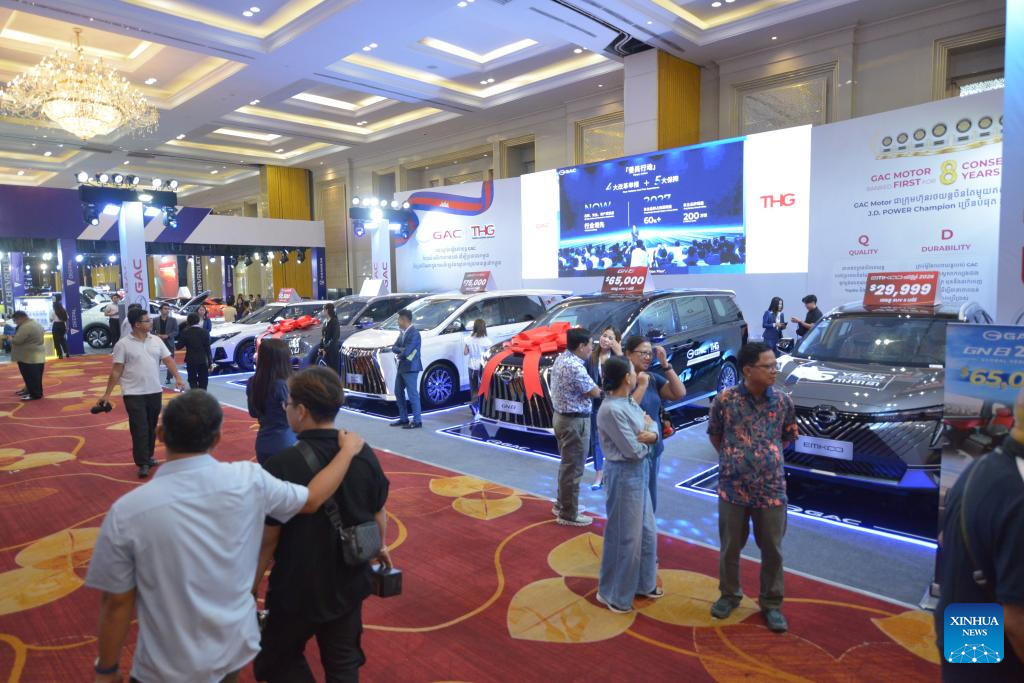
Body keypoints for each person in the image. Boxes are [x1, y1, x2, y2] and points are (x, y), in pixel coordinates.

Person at [85, 389, 365, 683]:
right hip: (231, 647)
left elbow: (117, 602)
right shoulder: (249, 479)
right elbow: (312, 499)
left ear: (160, 434)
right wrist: (346, 452)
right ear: (218, 437)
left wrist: (107, 669)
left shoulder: (128, 511)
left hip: (165, 663)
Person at [252, 368, 391, 681]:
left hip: (297, 586)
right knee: (344, 662)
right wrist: (378, 546)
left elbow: (268, 538)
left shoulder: (281, 465)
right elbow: (378, 512)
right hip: (349, 579)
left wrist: (251, 585)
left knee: (278, 660)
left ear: (301, 411)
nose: (286, 409)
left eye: (288, 404)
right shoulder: (362, 453)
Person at [706, 341, 797, 634]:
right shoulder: (725, 400)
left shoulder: (782, 402)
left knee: (772, 549)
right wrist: (736, 459)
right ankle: (729, 595)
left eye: (775, 365)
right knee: (730, 547)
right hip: (732, 487)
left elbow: (788, 437)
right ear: (747, 370)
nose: (774, 371)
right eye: (767, 366)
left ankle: (771, 603)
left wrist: (764, 457)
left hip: (771, 489)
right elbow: (715, 435)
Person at [935, 386, 1024, 681]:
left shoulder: (982, 467)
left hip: (967, 625)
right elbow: (1017, 620)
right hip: (999, 655)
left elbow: (945, 540)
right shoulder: (1018, 490)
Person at [595, 355, 661, 613]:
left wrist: (651, 434)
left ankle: (644, 583)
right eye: (633, 371)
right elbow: (632, 450)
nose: (637, 374)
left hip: (639, 472)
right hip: (623, 475)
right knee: (625, 536)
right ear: (627, 378)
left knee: (646, 531)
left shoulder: (628, 401)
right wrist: (650, 440)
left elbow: (650, 423)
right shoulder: (611, 409)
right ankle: (613, 593)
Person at [97, 307, 186, 478]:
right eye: (147, 320)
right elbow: (116, 370)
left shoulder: (156, 341)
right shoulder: (123, 344)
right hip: (132, 392)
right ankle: (142, 461)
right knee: (139, 427)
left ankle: (148, 456)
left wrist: (178, 378)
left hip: (154, 390)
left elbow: (168, 360)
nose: (151, 322)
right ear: (137, 324)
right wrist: (107, 394)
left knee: (151, 426)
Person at [624, 335, 685, 512]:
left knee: (650, 499)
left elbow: (679, 393)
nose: (647, 357)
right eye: (643, 353)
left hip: (653, 448)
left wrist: (666, 365)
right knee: (633, 501)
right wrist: (641, 386)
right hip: (631, 451)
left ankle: (647, 527)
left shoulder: (651, 378)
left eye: (650, 354)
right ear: (628, 354)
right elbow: (625, 412)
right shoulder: (621, 381)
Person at [549, 327, 603, 526]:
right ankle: (568, 514)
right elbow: (595, 392)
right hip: (575, 423)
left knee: (567, 466)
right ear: (581, 346)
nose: (592, 348)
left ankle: (563, 504)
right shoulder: (575, 367)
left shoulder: (562, 358)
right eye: (590, 344)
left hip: (562, 418)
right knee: (574, 469)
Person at [248, 339, 298, 465]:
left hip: (263, 443)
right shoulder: (284, 385)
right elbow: (296, 417)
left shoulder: (253, 381)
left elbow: (253, 412)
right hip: (286, 443)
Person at [588, 325, 622, 490]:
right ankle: (599, 474)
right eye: (604, 335)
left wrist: (620, 353)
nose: (605, 340)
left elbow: (628, 378)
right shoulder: (591, 357)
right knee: (597, 439)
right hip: (596, 403)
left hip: (615, 404)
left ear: (616, 342)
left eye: (610, 338)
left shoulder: (618, 358)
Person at [389, 309, 423, 429]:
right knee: (398, 392)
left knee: (412, 394)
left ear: (404, 320)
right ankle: (404, 418)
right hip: (402, 366)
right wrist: (401, 350)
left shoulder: (415, 334)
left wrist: (401, 351)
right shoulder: (402, 333)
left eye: (399, 319)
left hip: (411, 367)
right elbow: (394, 347)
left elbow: (408, 351)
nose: (397, 322)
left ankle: (417, 421)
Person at [6, 311, 45, 401]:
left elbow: (17, 340)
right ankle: (29, 390)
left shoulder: (26, 327)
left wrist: (10, 339)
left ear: (20, 318)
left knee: (30, 376)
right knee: (35, 376)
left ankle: (34, 394)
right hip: (36, 354)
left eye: (15, 320)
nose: (16, 323)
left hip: (28, 356)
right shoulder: (35, 323)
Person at [463, 318, 492, 416]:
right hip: (481, 366)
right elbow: (489, 355)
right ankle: (482, 408)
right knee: (483, 388)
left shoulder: (468, 339)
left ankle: (475, 406)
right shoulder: (486, 341)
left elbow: (465, 353)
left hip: (471, 366)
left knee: (473, 388)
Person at [179, 313, 213, 390]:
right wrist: (210, 362)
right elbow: (207, 348)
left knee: (192, 379)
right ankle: (203, 394)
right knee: (203, 379)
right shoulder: (205, 332)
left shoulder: (185, 332)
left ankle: (195, 394)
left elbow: (179, 346)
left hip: (190, 359)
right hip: (202, 359)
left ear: (188, 321)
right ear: (198, 321)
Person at [153, 302, 179, 385]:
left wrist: (168, 335)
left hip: (169, 342)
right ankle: (154, 377)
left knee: (170, 361)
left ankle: (169, 378)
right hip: (157, 342)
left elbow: (176, 331)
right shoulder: (155, 320)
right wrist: (157, 335)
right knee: (156, 360)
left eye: (168, 309)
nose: (167, 310)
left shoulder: (173, 320)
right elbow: (151, 331)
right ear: (160, 310)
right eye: (165, 309)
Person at [319, 302, 340, 375]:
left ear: (327, 310)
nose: (322, 311)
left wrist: (326, 349)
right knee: (325, 369)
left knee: (332, 369)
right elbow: (323, 336)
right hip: (325, 349)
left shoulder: (334, 321)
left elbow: (335, 337)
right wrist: (321, 347)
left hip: (332, 349)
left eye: (323, 309)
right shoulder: (325, 321)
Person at [50, 293, 70, 359]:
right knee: (62, 339)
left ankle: (60, 354)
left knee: (56, 341)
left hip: (56, 325)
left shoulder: (53, 311)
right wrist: (67, 327)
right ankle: (67, 352)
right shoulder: (63, 310)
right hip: (62, 325)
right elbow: (67, 319)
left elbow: (51, 320)